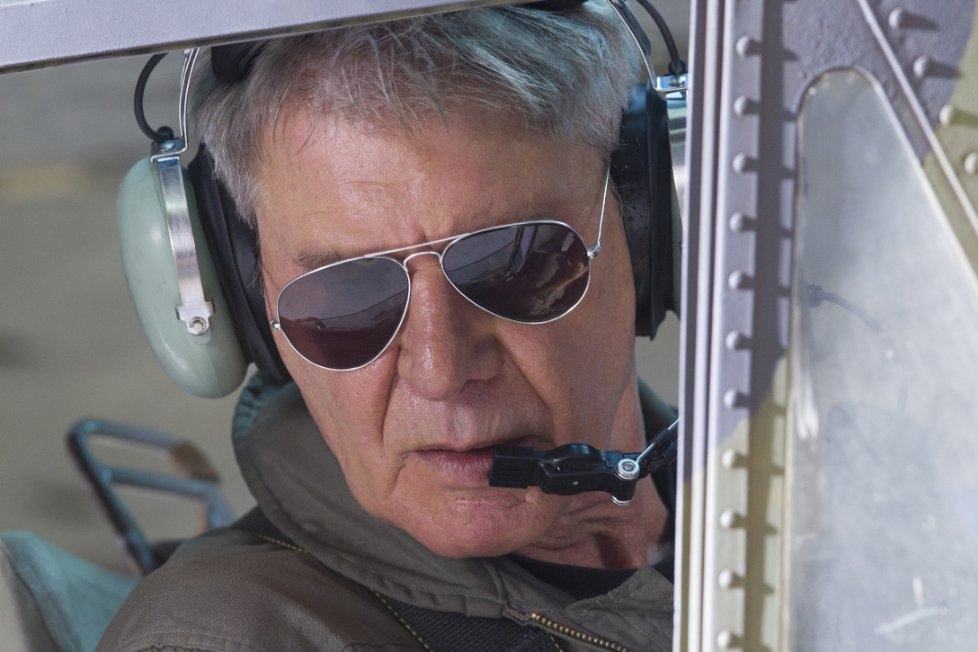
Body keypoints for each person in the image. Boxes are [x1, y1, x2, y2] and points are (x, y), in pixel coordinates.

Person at [99, 1, 678, 650]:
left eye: (513, 263)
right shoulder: (227, 637)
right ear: (247, 306)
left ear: (650, 236)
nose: (439, 369)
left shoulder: (758, 481)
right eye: (346, 296)